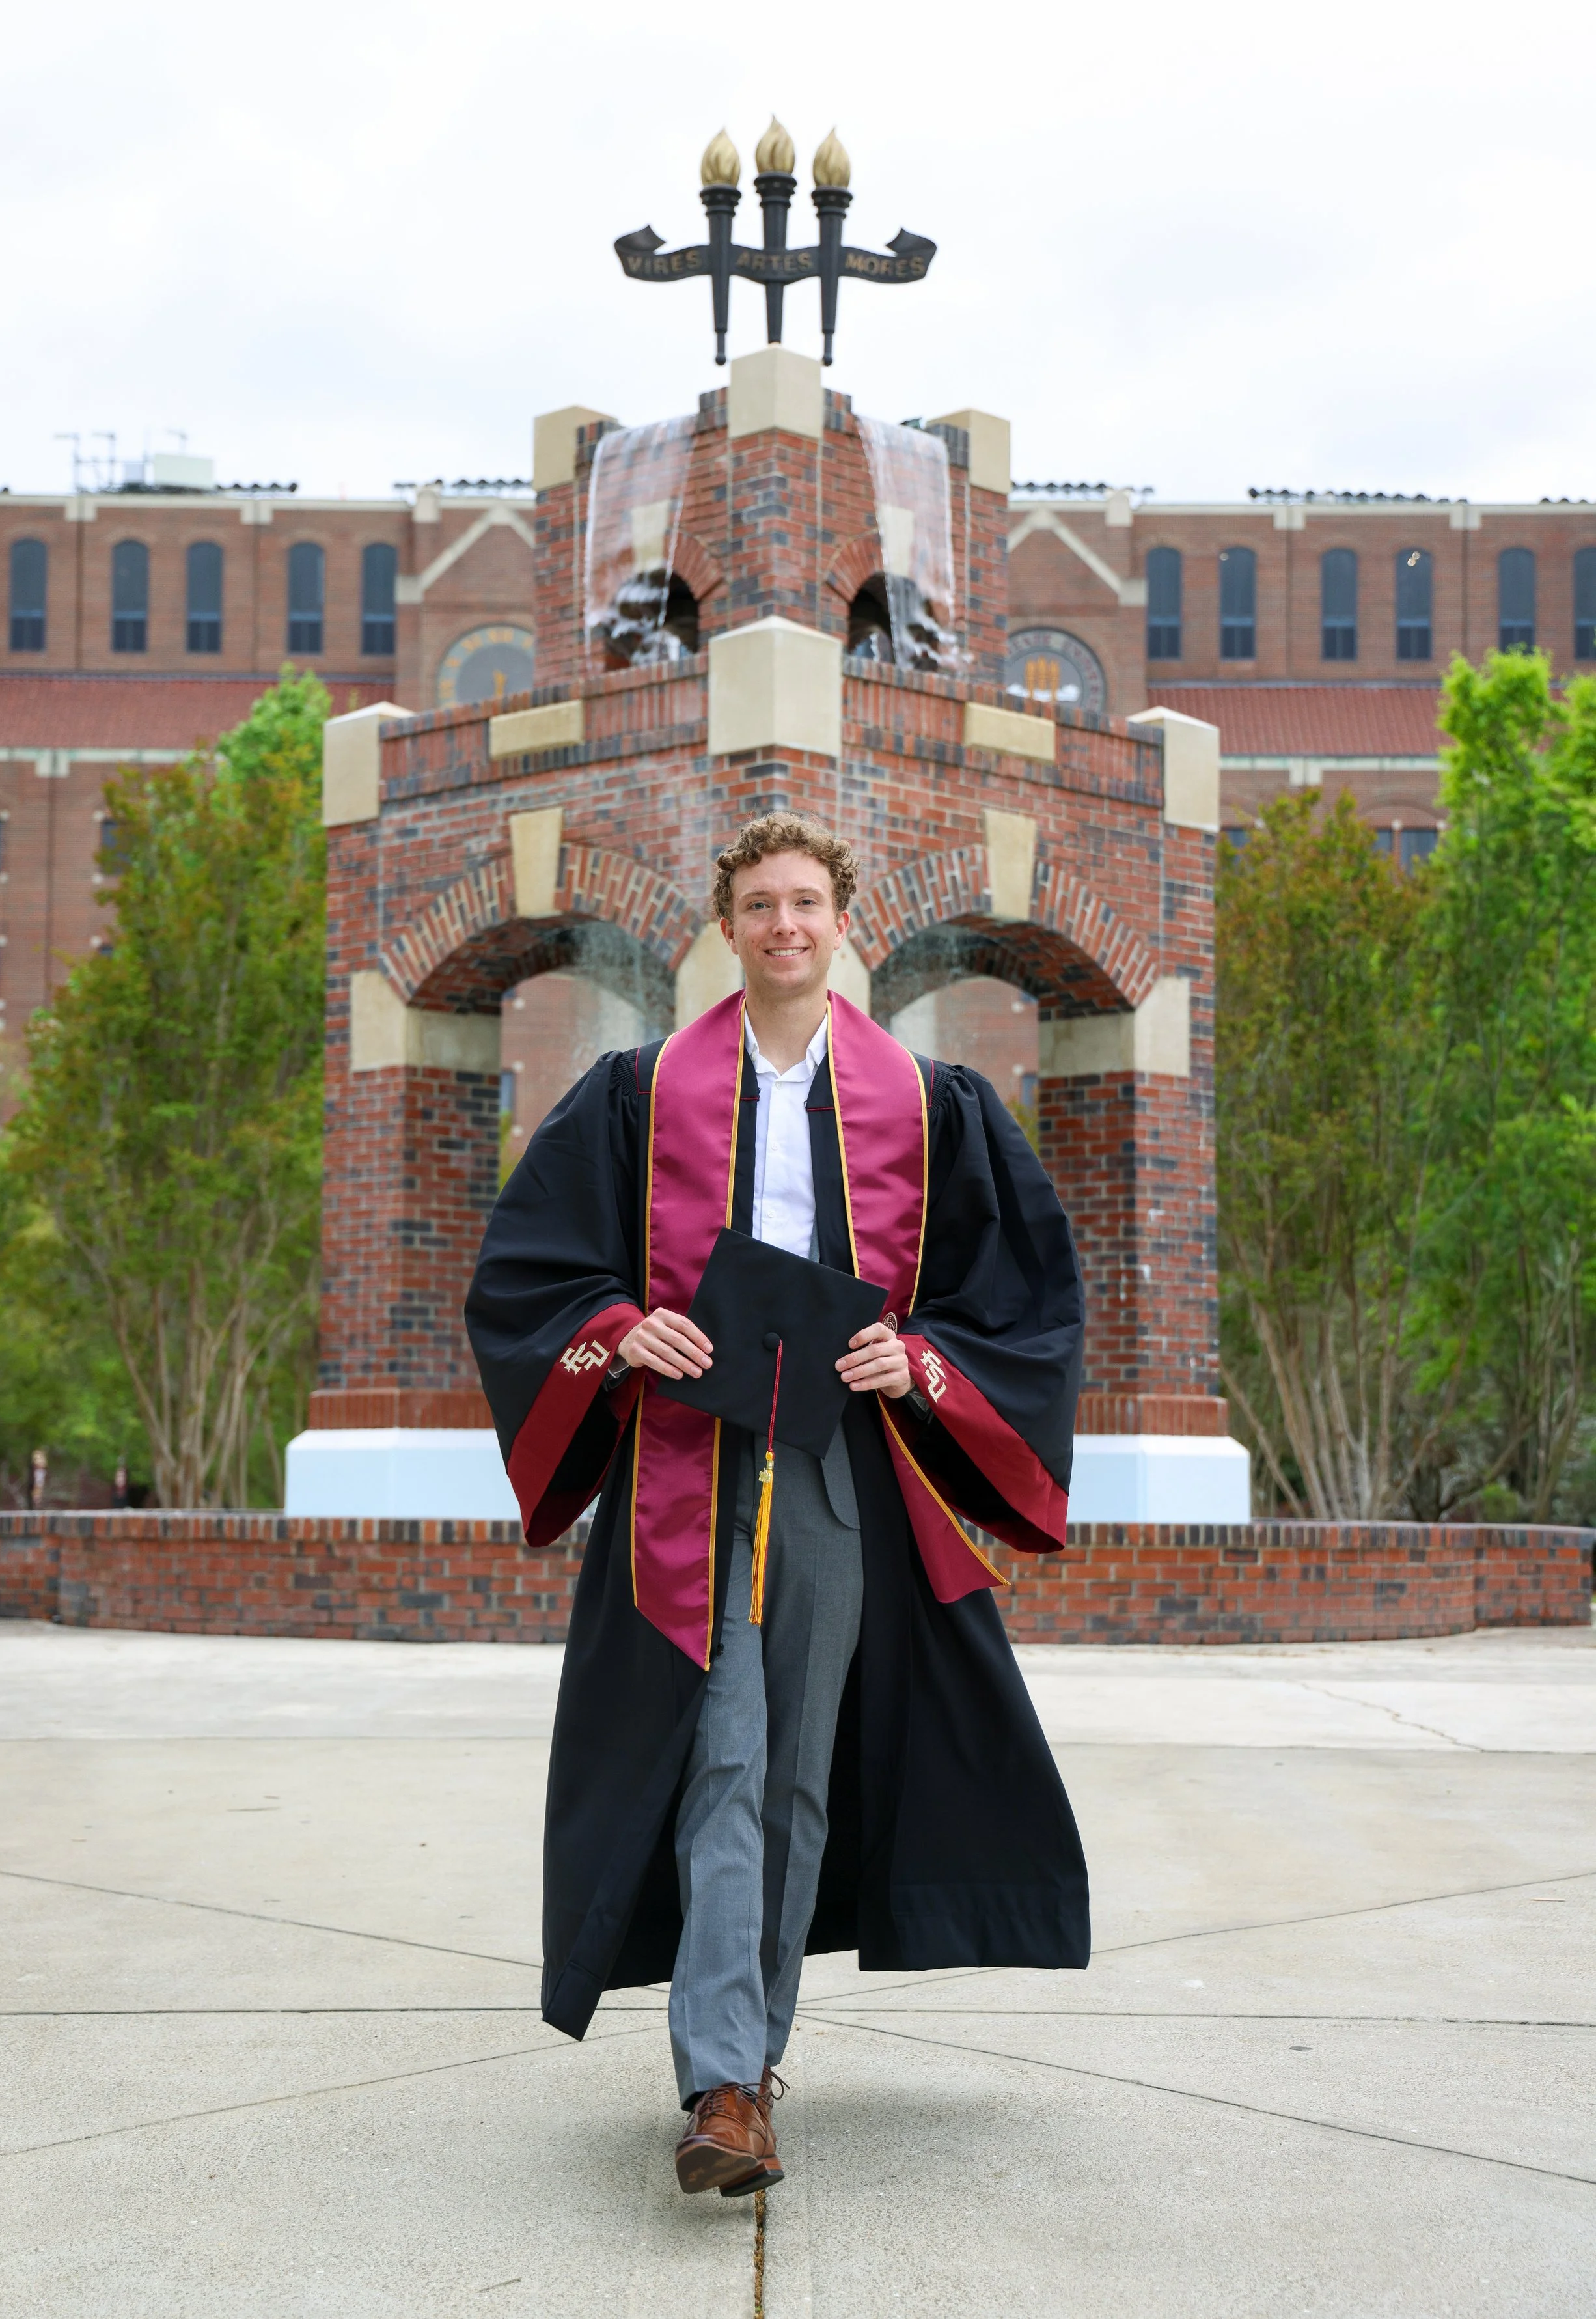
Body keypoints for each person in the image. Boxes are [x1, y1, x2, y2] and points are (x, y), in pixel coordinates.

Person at [466, 812, 1088, 2197]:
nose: (785, 925)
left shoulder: (929, 1102)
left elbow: (1024, 1296)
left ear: (840, 920)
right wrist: (620, 1328)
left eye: (806, 901)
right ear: (725, 924)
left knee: (797, 1767)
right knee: (729, 1749)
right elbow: (528, 1274)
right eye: (759, 904)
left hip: (835, 1461)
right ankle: (724, 2080)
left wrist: (915, 1357)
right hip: (688, 1463)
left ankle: (753, 2051)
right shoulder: (637, 1091)